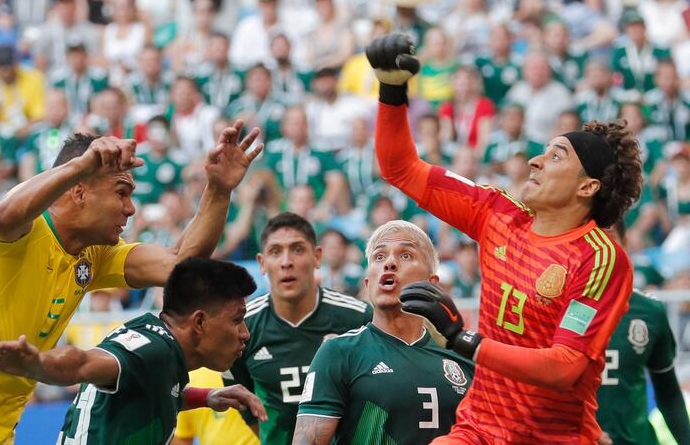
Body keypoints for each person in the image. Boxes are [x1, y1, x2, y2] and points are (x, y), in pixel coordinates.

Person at [0, 122, 262, 444]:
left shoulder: (93, 255)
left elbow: (180, 264)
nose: (131, 209)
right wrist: (82, 164)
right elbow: (5, 215)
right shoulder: (22, 231)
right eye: (121, 192)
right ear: (79, 191)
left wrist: (218, 190)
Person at [367, 33, 644, 444]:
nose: (535, 159)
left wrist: (466, 340)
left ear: (587, 188)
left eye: (556, 156)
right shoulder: (497, 213)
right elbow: (400, 168)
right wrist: (391, 89)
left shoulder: (600, 259)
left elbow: (564, 366)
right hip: (477, 430)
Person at [0, 257, 267, 444]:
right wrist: (35, 364)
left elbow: (153, 389)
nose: (245, 334)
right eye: (237, 319)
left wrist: (207, 396)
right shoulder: (152, 349)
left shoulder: (159, 343)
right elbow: (82, 363)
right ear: (199, 321)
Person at [293, 220, 474, 444]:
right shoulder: (339, 352)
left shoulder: (465, 359)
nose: (389, 263)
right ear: (368, 284)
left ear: (432, 284)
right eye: (379, 257)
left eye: (406, 255)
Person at [223, 212, 373, 445]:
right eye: (275, 252)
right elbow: (243, 402)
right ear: (262, 263)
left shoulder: (359, 318)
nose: (286, 262)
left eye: (298, 249)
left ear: (317, 257)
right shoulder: (241, 326)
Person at [596, 221, 690, 445]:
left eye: (608, 237)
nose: (600, 248)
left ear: (625, 243)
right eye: (590, 239)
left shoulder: (649, 312)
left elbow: (669, 394)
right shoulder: (552, 309)